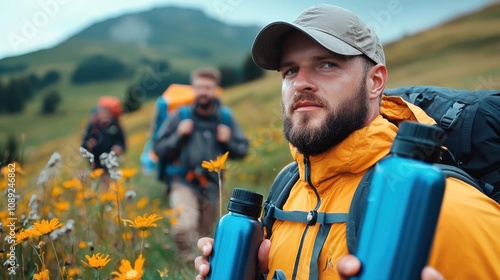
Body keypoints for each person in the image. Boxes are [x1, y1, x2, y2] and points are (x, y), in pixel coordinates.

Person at [194, 4, 500, 280]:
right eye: (290, 70)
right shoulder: (287, 189)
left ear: (375, 81)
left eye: (327, 64)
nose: (301, 82)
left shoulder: (441, 207)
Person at [154, 67, 249, 262]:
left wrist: (228, 141)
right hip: (183, 180)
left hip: (212, 184)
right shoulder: (180, 116)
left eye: (208, 87)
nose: (203, 92)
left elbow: (242, 150)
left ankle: (201, 267)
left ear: (216, 89)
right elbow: (158, 149)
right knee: (183, 226)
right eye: (199, 87)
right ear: (193, 89)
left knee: (206, 233)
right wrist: (178, 135)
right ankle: (186, 262)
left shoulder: (225, 117)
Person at [81, 96, 126, 170]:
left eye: (108, 113)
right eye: (102, 112)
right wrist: (88, 145)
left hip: (112, 163)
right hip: (95, 164)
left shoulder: (116, 126)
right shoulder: (93, 126)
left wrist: (119, 147)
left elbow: (122, 143)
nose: (105, 115)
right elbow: (83, 145)